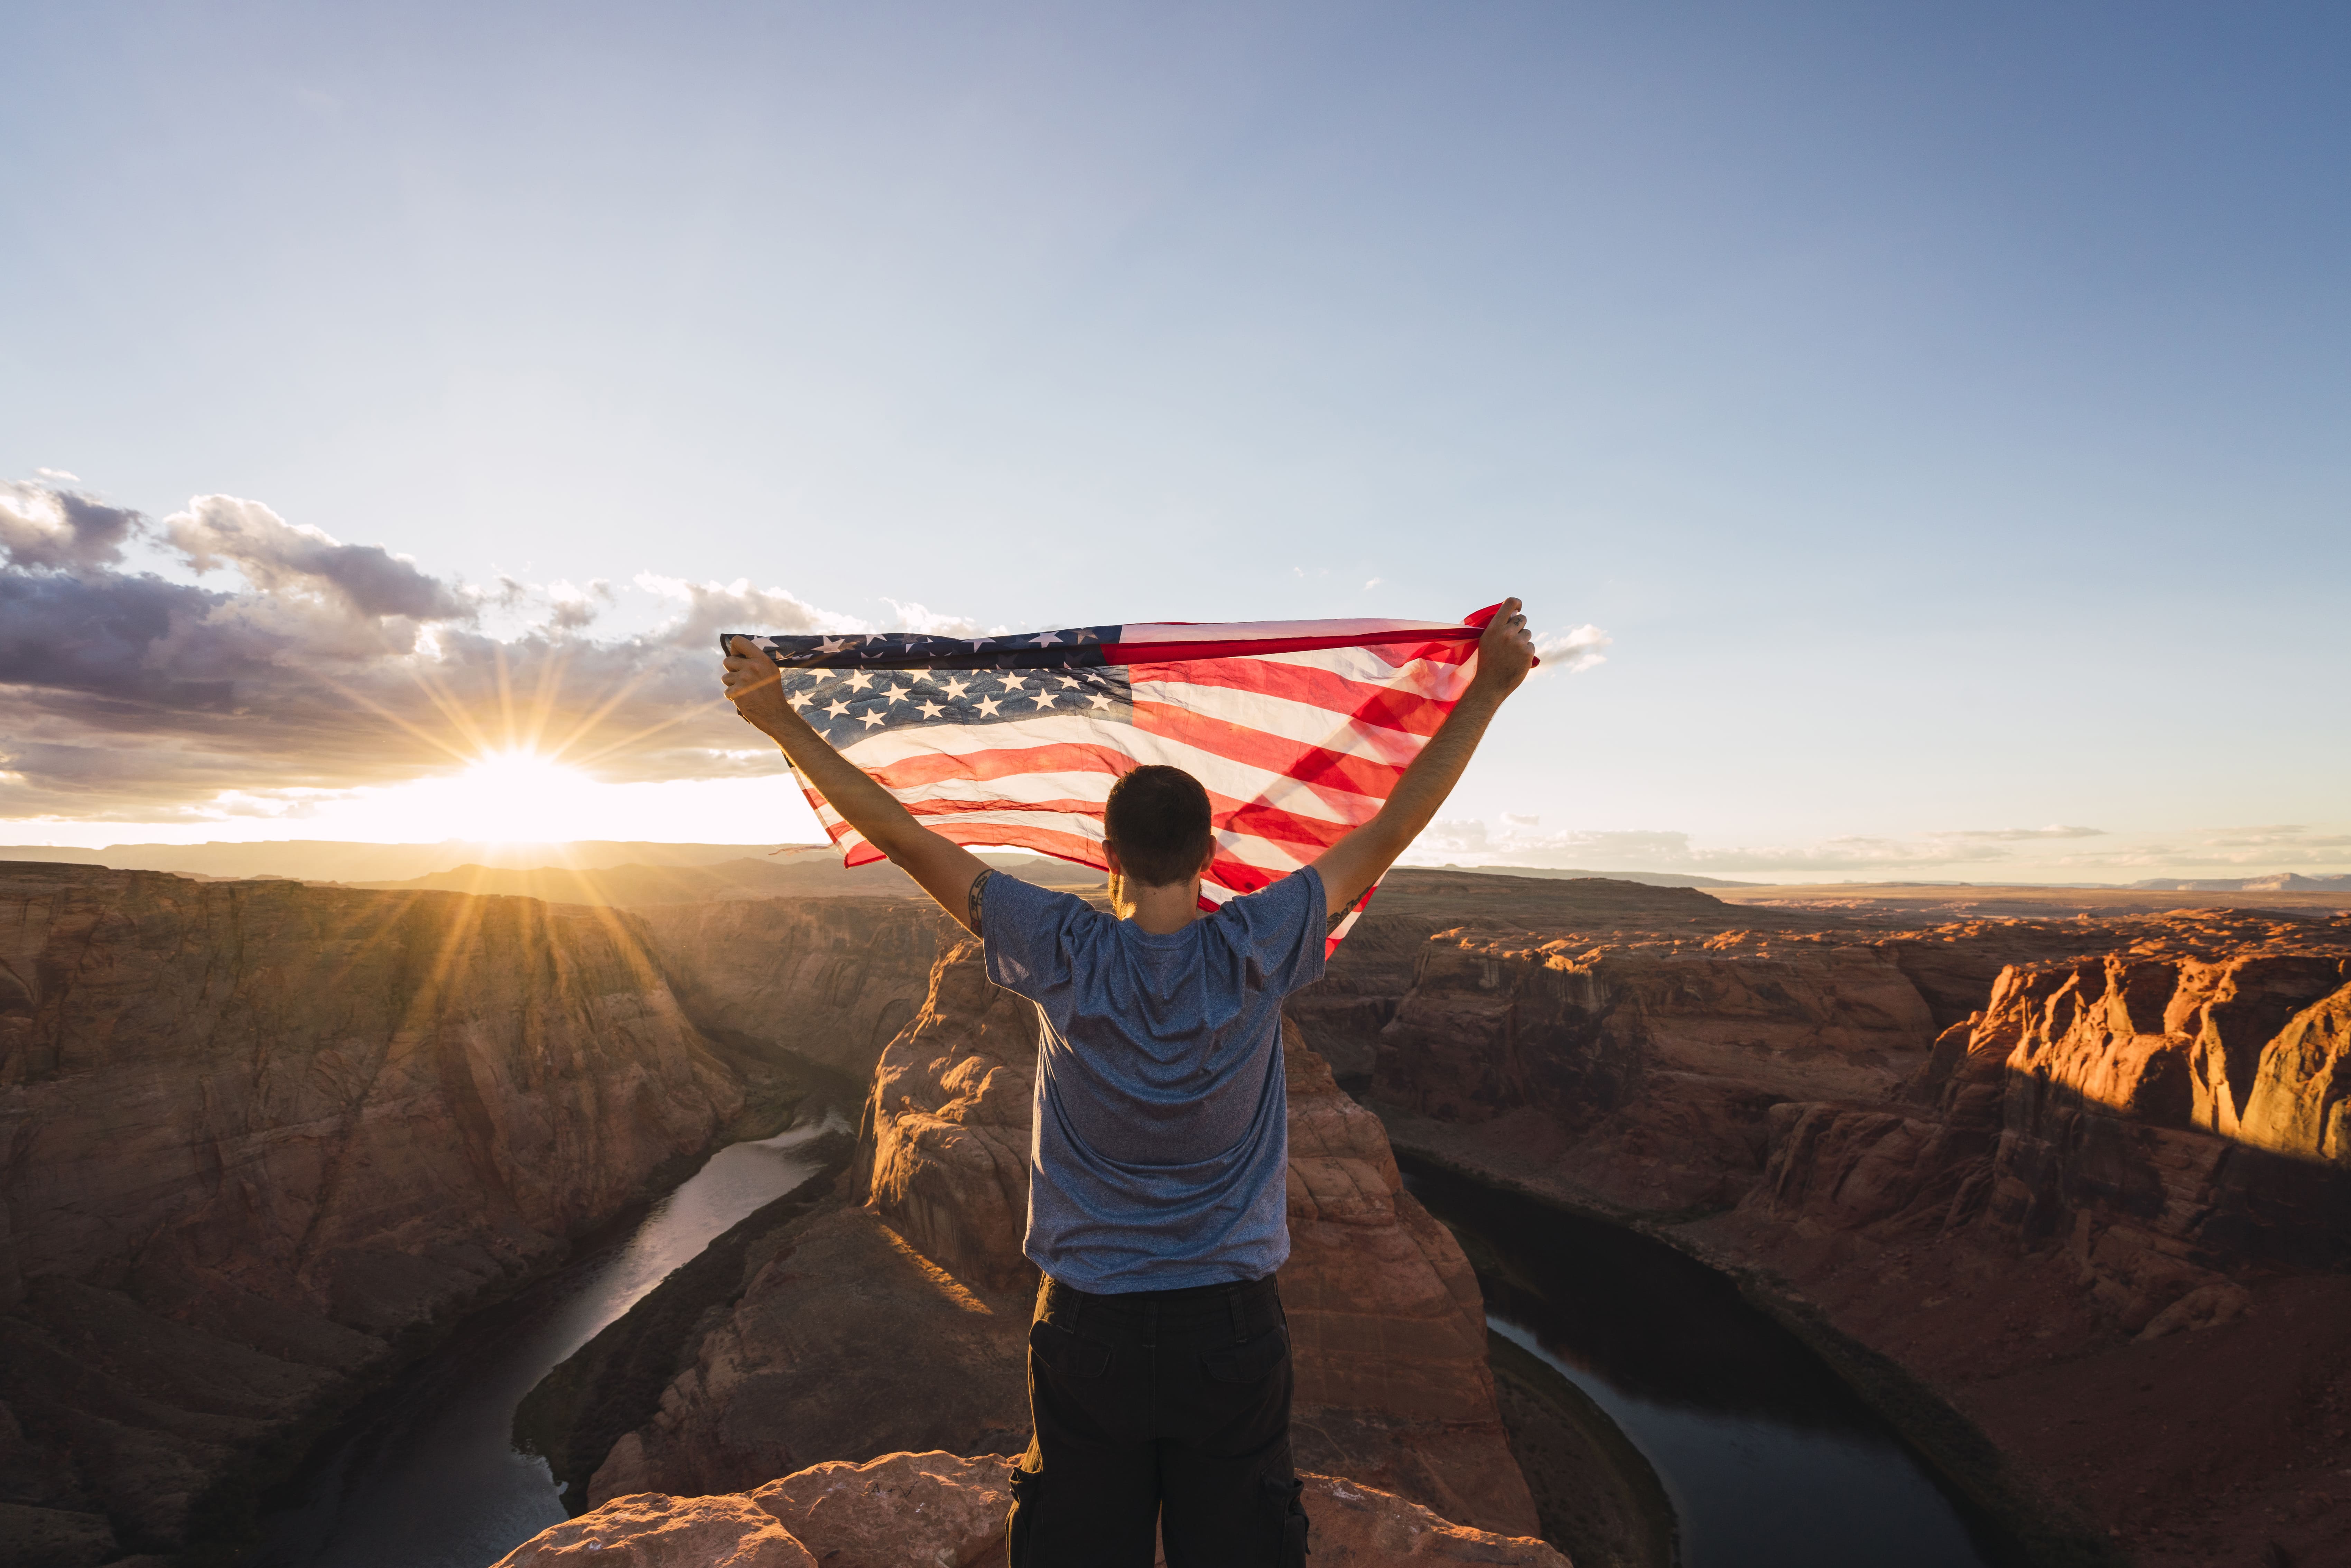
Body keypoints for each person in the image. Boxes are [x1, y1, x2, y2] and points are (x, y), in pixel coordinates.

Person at [720, 601, 1537, 1568]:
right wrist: (1485, 691)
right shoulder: (1259, 945)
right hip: (1230, 1332)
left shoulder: (1060, 949)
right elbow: (1396, 823)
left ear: (1106, 856)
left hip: (1090, 1327)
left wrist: (782, 720)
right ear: (1210, 859)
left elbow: (906, 838)